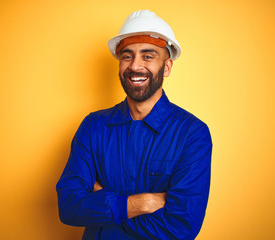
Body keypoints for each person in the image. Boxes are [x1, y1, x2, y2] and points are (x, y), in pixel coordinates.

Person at [56, 10, 212, 240]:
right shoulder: (92, 127)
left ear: (166, 67)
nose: (135, 66)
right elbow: (69, 207)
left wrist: (105, 203)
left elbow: (181, 228)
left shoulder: (192, 134)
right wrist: (143, 203)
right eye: (127, 56)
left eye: (148, 56)